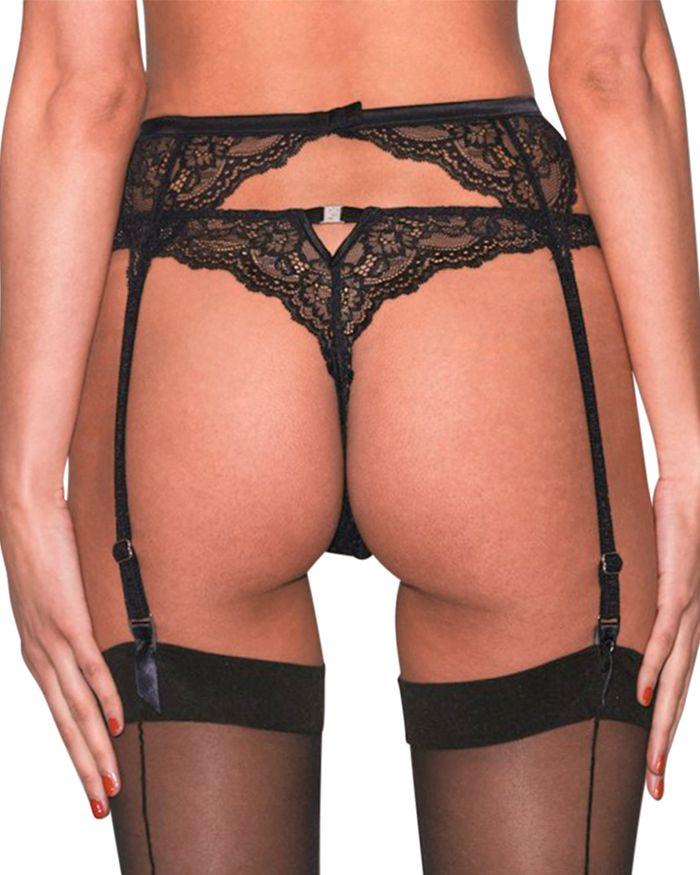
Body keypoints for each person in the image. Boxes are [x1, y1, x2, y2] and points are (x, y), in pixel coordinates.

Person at [1, 1, 698, 872]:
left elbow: (85, 86)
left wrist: (25, 487)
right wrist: (687, 457)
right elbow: (609, 70)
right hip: (493, 277)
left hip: (197, 293)